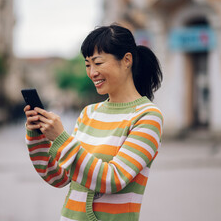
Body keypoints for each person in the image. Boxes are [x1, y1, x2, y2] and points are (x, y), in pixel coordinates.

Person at [24, 24, 163, 221]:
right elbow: (59, 177)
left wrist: (62, 139)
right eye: (88, 65)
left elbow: (113, 179)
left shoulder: (147, 116)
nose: (92, 73)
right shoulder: (89, 113)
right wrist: (37, 135)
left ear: (127, 60)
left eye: (98, 63)